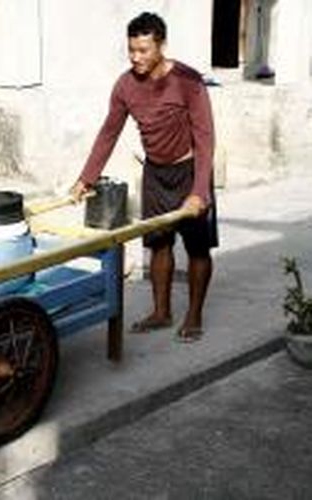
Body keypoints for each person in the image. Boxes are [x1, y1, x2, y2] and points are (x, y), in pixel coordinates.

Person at [70, 12, 218, 342]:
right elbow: (108, 133)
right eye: (132, 50)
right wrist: (86, 179)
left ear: (161, 46)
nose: (136, 58)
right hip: (155, 173)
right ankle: (161, 312)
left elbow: (206, 139)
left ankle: (193, 316)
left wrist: (199, 191)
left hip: (190, 171)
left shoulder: (188, 81)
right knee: (158, 244)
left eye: (144, 50)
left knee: (197, 248)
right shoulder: (125, 85)